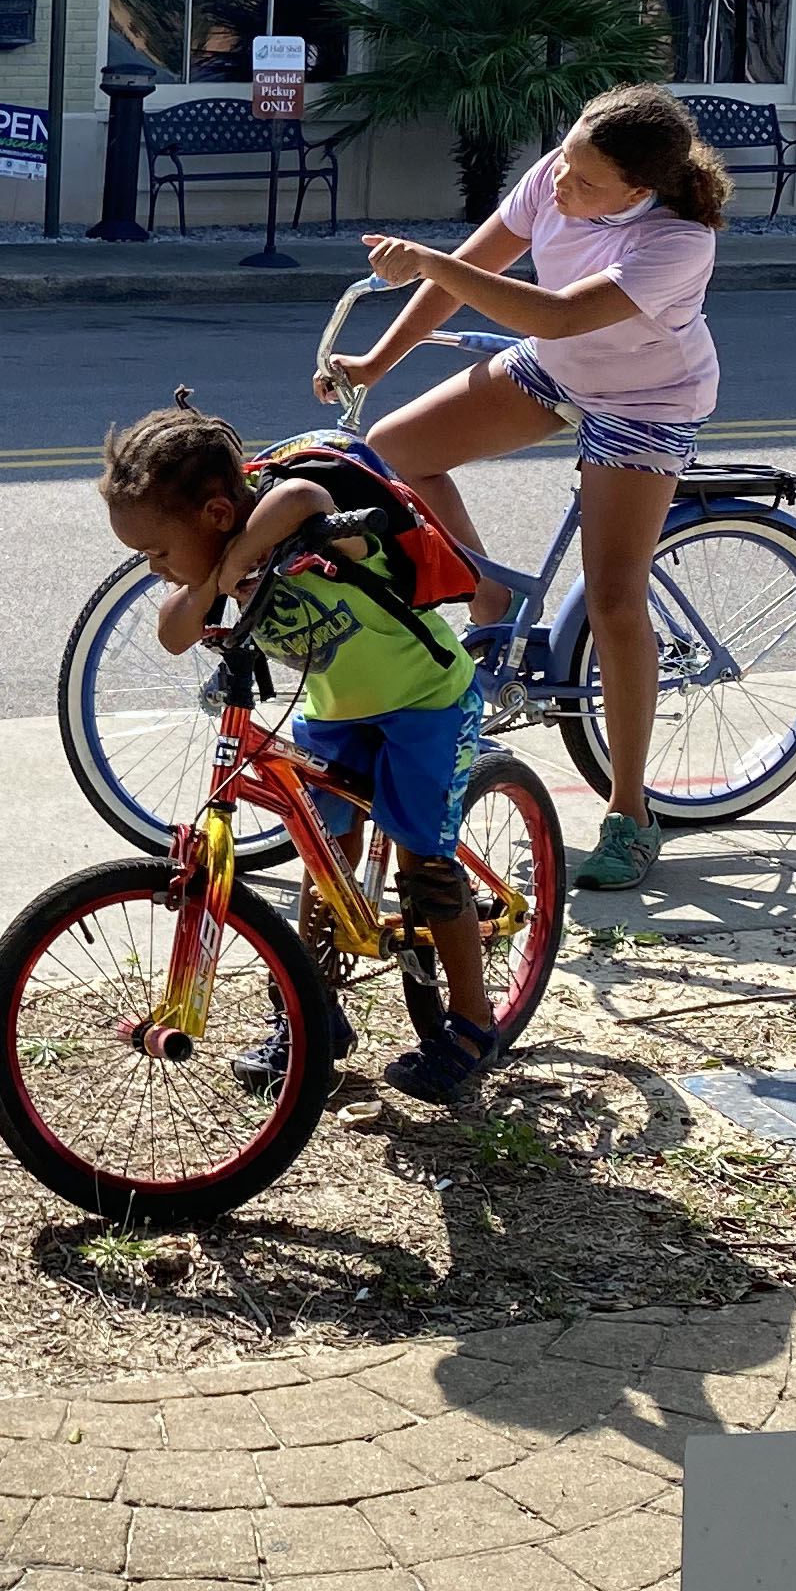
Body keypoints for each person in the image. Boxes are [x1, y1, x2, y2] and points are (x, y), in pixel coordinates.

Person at [321, 83, 730, 895]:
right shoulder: (561, 171)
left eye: (582, 182)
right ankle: (490, 601)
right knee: (392, 451)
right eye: (564, 162)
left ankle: (631, 813)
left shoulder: (676, 242)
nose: (561, 186)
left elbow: (554, 314)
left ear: (636, 192)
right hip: (558, 369)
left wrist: (430, 262)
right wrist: (375, 363)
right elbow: (471, 272)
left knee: (614, 602)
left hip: (643, 402)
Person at [100, 395, 499, 1103]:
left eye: (159, 551)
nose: (157, 567)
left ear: (219, 515)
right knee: (324, 850)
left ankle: (471, 1024)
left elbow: (301, 495)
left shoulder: (312, 525)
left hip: (425, 703)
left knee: (424, 864)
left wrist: (237, 563)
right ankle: (313, 1013)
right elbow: (171, 631)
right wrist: (208, 582)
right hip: (336, 712)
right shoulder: (215, 556)